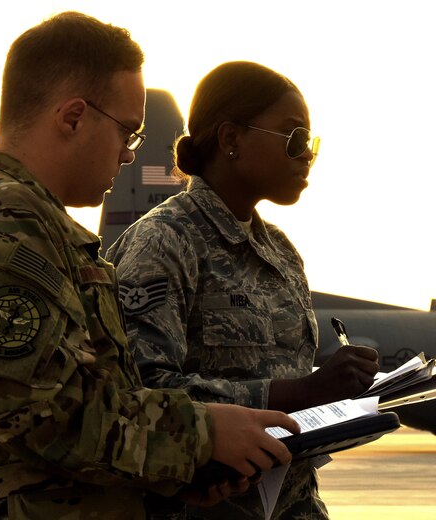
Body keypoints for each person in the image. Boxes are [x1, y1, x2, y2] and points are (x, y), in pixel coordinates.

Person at [0, 14, 300, 520]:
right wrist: (203, 434)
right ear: (72, 117)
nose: (129, 155)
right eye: (127, 133)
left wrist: (170, 479)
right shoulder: (1, 225)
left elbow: (82, 407)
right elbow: (42, 415)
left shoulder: (37, 227)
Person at [106, 61, 380, 519]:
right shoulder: (165, 241)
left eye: (309, 142)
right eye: (293, 138)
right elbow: (142, 393)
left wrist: (342, 395)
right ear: (231, 139)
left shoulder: (281, 252)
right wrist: (303, 391)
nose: (306, 154)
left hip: (292, 504)